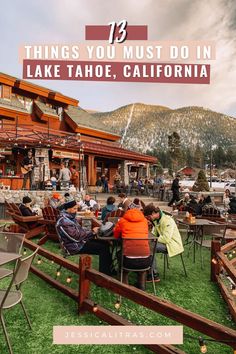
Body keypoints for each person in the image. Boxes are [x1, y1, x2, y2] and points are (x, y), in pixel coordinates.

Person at [56, 199, 113, 275]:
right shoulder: (63, 221)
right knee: (103, 248)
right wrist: (92, 232)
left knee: (105, 243)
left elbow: (80, 233)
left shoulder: (70, 218)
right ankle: (104, 276)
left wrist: (92, 234)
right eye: (74, 209)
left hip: (80, 242)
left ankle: (110, 269)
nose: (76, 211)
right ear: (67, 209)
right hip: (73, 247)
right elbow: (75, 237)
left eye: (77, 208)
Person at [113, 208, 152, 290]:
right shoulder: (144, 221)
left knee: (120, 254)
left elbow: (116, 235)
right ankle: (142, 285)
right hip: (146, 261)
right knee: (140, 256)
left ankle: (125, 286)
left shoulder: (122, 221)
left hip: (128, 261)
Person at [143, 204, 184, 279]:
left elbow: (166, 239)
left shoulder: (168, 220)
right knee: (146, 245)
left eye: (148, 217)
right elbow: (154, 234)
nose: (148, 219)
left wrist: (152, 238)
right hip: (164, 242)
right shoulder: (156, 220)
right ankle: (147, 269)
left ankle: (153, 274)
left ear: (153, 213)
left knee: (150, 247)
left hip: (172, 244)